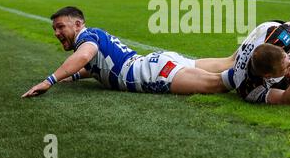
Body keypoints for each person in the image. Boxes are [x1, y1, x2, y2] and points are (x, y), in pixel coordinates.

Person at [22, 6, 233, 98]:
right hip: (153, 63)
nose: (57, 33)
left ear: (77, 24)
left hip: (150, 74)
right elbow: (94, 65)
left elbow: (84, 57)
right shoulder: (93, 36)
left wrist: (49, 80)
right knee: (229, 61)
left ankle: (256, 73)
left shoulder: (86, 39)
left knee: (220, 83)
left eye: (60, 27)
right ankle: (252, 54)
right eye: (55, 29)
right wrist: (74, 76)